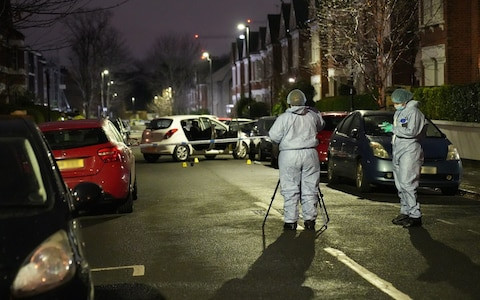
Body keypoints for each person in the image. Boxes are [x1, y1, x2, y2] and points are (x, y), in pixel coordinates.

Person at [268, 89, 325, 231]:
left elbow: (274, 136)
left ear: (289, 103)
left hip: (289, 154)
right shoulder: (312, 115)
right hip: (310, 153)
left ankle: (290, 221)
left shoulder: (283, 118)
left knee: (290, 188)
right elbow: (321, 125)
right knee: (310, 187)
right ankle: (310, 220)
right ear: (304, 101)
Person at [380, 88, 426, 228]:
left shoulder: (413, 112)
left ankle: (415, 215)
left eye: (397, 102)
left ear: (405, 101)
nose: (395, 104)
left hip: (410, 150)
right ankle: (405, 211)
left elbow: (411, 131)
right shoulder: (401, 112)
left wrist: (393, 129)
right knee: (400, 184)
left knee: (407, 183)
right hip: (400, 150)